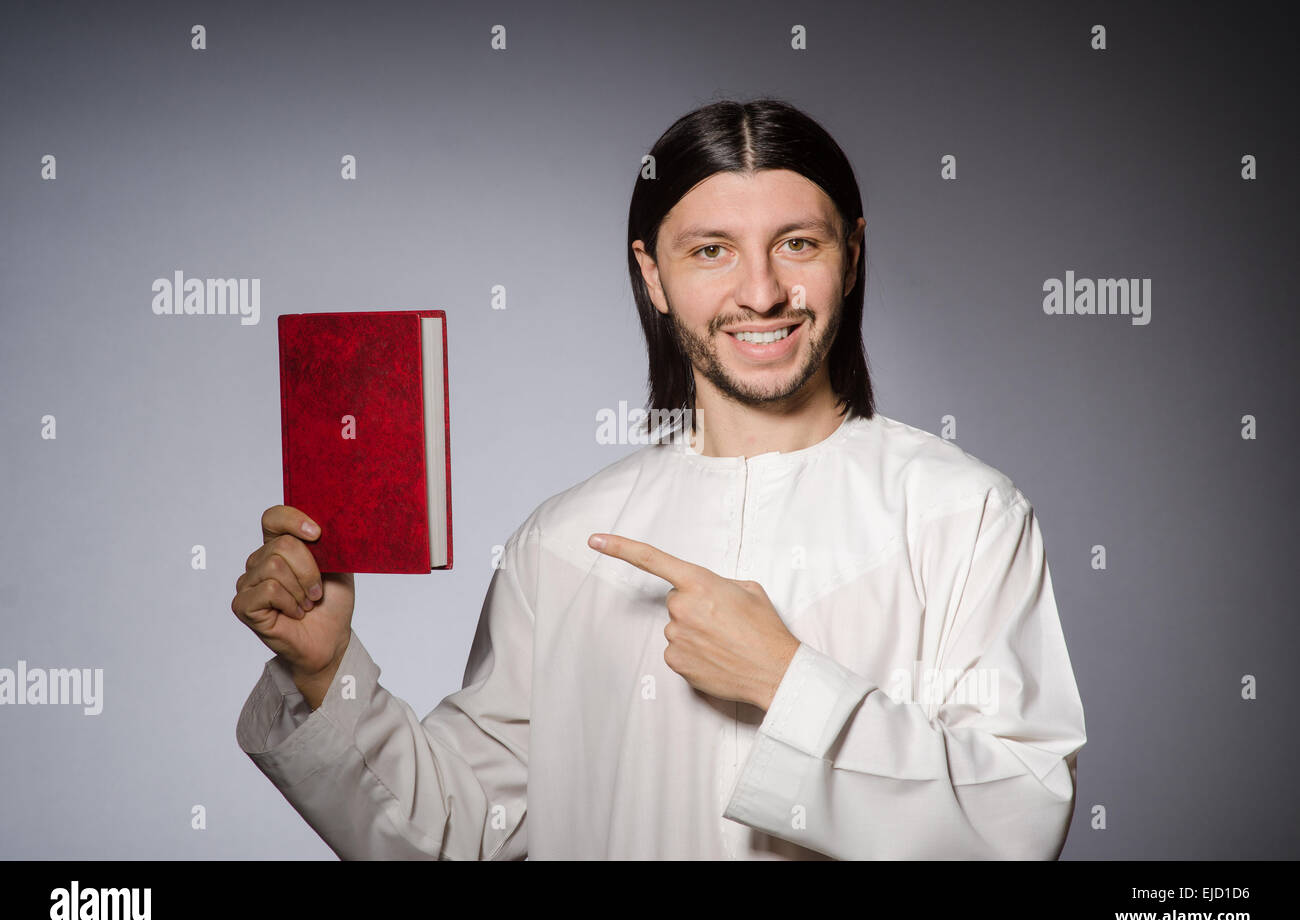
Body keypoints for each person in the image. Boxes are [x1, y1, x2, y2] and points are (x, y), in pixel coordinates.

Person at [232, 98, 1086, 860]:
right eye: (711, 250)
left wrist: (787, 680)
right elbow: (461, 833)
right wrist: (326, 673)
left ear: (851, 256)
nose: (761, 291)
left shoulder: (964, 515)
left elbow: (1015, 821)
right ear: (654, 277)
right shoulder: (563, 542)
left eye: (798, 243)